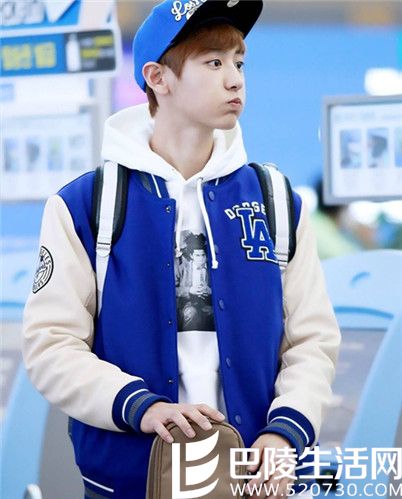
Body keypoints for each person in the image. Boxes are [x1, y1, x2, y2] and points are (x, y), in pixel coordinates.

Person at [22, 1, 341, 498]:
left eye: (239, 62)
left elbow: (312, 341)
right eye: (213, 63)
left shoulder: (276, 202)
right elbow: (52, 345)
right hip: (129, 482)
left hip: (255, 481)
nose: (234, 80)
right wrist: (142, 407)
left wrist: (284, 432)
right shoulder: (86, 205)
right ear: (158, 78)